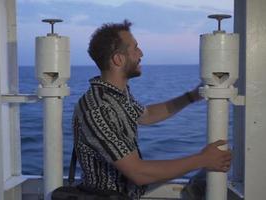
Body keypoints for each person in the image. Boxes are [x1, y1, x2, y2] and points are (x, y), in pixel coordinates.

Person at [72, 19, 231, 199]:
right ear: (118, 59)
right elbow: (138, 173)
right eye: (135, 48)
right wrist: (203, 159)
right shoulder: (98, 108)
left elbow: (147, 115)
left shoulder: (116, 96)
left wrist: (191, 97)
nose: (141, 53)